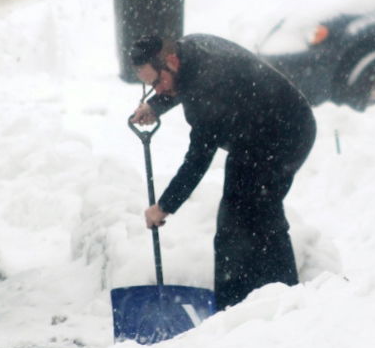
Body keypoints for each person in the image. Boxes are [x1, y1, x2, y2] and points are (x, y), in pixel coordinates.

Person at [128, 33, 316, 310]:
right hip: (256, 134)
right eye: (149, 87)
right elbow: (182, 84)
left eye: (156, 82)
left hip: (285, 134)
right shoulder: (189, 52)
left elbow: (198, 160)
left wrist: (164, 206)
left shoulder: (208, 87)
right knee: (240, 220)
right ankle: (255, 301)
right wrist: (156, 105)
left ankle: (267, 305)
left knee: (253, 217)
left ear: (171, 61)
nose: (157, 89)